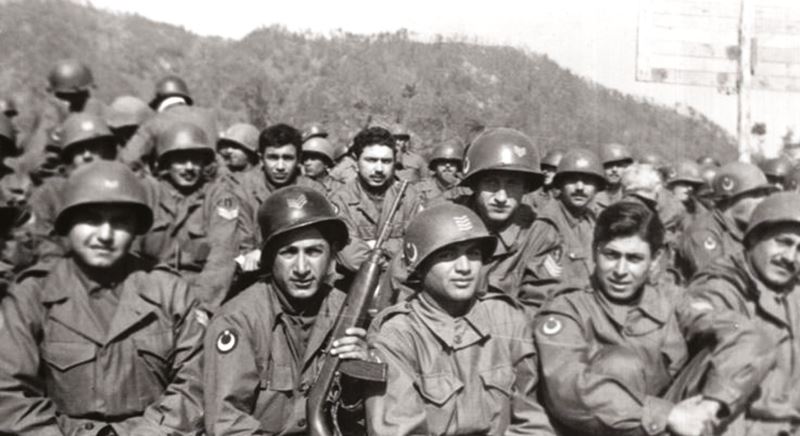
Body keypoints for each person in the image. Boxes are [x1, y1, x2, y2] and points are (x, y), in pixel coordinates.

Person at [535, 201, 774, 436]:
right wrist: (667, 416)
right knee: (619, 363)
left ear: (655, 259)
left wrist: (710, 406)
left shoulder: (671, 300)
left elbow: (745, 335)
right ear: (595, 251)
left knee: (731, 360)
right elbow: (566, 386)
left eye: (634, 259)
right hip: (599, 429)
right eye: (611, 255)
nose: (620, 271)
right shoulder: (567, 306)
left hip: (676, 424)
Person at [0, 161, 205, 435]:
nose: (105, 235)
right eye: (92, 219)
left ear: (135, 229)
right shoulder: (33, 295)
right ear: (68, 224)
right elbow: (10, 393)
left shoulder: (170, 291)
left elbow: (195, 382)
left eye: (120, 221)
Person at [366, 203, 555, 435]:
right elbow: (398, 430)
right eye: (447, 255)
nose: (464, 267)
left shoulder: (506, 317)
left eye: (473, 253)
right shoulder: (398, 334)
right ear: (421, 266)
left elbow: (535, 417)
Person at [202, 185, 372, 435]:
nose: (301, 268)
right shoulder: (238, 320)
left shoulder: (348, 312)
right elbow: (227, 423)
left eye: (313, 251)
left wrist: (359, 379)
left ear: (332, 254)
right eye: (289, 252)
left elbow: (363, 420)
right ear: (270, 259)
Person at [686, 192, 800, 434]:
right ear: (754, 238)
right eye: (783, 242)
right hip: (728, 422)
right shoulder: (721, 285)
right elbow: (707, 320)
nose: (791, 258)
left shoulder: (793, 292)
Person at [432, 127, 563, 309]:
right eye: (491, 183)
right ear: (475, 184)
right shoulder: (442, 218)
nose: (501, 198)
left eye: (512, 184)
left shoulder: (539, 234)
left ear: (525, 188)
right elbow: (407, 285)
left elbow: (538, 306)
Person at [136, 121, 246, 309]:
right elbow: (130, 251)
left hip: (198, 294)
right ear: (166, 162)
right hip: (148, 294)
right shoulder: (148, 192)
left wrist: (201, 307)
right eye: (181, 160)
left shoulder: (218, 196)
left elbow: (223, 256)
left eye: (195, 160)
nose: (189, 167)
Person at [330, 126, 423, 273]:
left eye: (386, 161)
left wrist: (376, 246)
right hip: (351, 282)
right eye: (371, 160)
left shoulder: (408, 196)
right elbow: (351, 258)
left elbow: (419, 245)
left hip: (399, 281)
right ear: (356, 161)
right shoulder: (340, 200)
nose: (379, 169)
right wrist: (395, 252)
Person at [29, 113, 119, 260]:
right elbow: (43, 240)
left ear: (108, 151)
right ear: (69, 156)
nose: (87, 155)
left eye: (94, 148)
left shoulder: (126, 187)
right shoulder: (50, 192)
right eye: (79, 150)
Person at [677, 162, 776, 280]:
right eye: (755, 194)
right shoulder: (703, 232)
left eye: (765, 194)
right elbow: (717, 280)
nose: (762, 201)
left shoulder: (748, 231)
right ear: (730, 198)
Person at [23, 60, 107, 182]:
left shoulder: (96, 109)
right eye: (67, 97)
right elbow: (36, 160)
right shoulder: (50, 113)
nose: (72, 101)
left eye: (78, 96)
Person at [120, 75, 218, 172]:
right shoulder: (209, 117)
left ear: (157, 102)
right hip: (211, 178)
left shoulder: (153, 122)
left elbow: (128, 159)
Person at [539, 148, 605, 288]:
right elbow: (539, 290)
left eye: (587, 181)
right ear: (561, 184)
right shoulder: (548, 225)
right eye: (572, 180)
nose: (579, 187)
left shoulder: (592, 221)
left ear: (597, 187)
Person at [414, 138, 464, 204]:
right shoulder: (421, 188)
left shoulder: (464, 189)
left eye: (452, 162)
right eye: (443, 162)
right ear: (435, 165)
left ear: (458, 166)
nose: (448, 165)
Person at [595, 142, 634, 207]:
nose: (614, 170)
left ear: (625, 168)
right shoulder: (590, 197)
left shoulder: (631, 197)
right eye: (609, 164)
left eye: (619, 165)